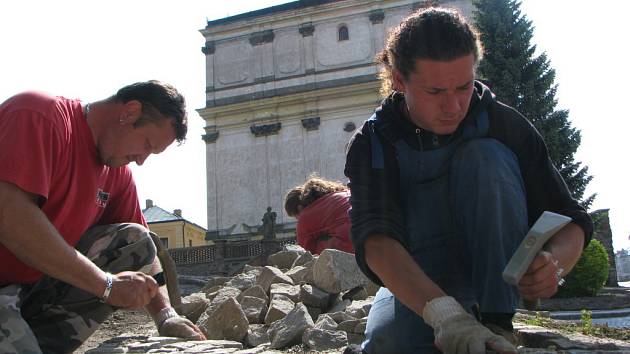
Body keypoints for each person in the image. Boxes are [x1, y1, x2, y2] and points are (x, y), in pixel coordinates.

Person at [344, 7, 592, 354]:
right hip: (417, 279)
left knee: (485, 157)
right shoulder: (373, 144)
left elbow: (571, 217)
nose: (454, 106)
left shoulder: (505, 125)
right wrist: (446, 315)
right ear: (400, 81)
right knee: (388, 345)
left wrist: (555, 263)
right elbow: (376, 242)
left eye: (463, 86)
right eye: (435, 92)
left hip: (494, 277)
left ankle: (497, 322)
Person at [0, 80, 205, 354]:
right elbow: (10, 216)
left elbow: (144, 251)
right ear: (130, 112)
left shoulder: (116, 174)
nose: (142, 159)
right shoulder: (39, 116)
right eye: (146, 145)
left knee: (137, 239)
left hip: (30, 291)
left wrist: (166, 315)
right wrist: (106, 285)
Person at [284, 176, 354, 254]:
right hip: (366, 229)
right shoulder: (343, 193)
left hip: (353, 243)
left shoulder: (305, 216)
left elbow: (305, 251)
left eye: (295, 217)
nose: (297, 221)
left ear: (300, 208)